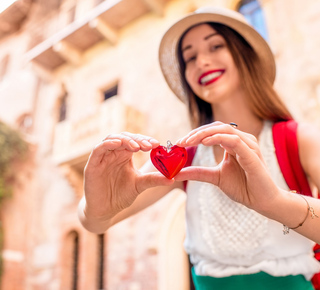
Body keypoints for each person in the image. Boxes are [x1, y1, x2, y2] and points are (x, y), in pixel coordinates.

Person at [78, 6, 320, 289]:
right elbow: (95, 223)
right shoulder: (183, 157)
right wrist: (96, 205)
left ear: (244, 56)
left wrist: (275, 204)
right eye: (189, 58)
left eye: (215, 46)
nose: (202, 61)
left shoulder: (297, 139)